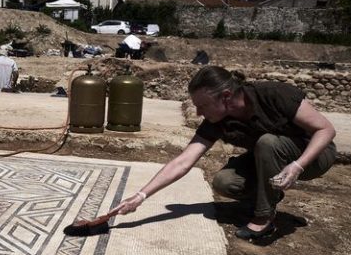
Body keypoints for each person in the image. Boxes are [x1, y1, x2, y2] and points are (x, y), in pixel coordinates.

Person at [114, 65, 337, 241]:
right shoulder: (218, 120)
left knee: (267, 142)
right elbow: (183, 161)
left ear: (226, 96)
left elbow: (326, 130)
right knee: (225, 182)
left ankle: (264, 219)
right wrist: (140, 196)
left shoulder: (272, 94)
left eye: (202, 105)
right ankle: (269, 196)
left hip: (314, 155)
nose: (199, 112)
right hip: (270, 158)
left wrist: (298, 165)